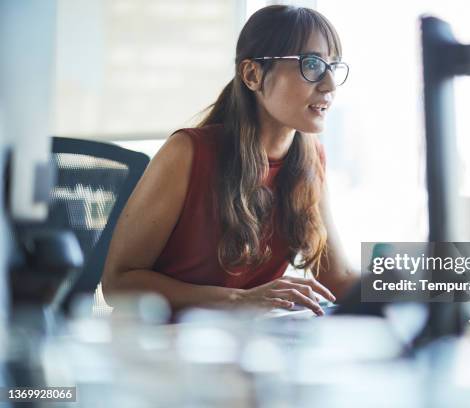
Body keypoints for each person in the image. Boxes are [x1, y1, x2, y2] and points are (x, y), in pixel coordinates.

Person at [101, 5, 358, 316]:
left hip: (243, 347)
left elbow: (339, 278)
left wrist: (428, 282)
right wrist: (240, 299)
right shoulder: (188, 152)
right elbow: (118, 283)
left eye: (334, 66)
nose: (330, 85)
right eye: (312, 64)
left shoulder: (310, 156)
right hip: (164, 348)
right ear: (253, 74)